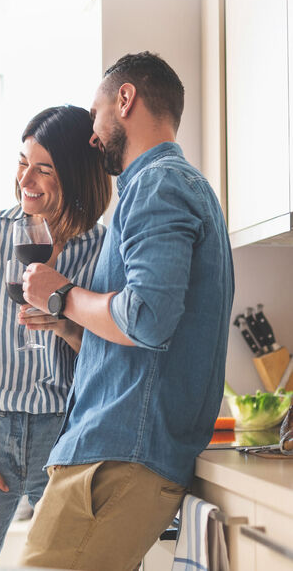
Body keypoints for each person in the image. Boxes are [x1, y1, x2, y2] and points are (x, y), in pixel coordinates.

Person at [18, 52, 234, 571]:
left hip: (117, 456)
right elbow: (145, 323)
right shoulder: (174, 186)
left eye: (95, 116)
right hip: (117, 453)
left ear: (125, 99)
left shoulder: (157, 185)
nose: (92, 135)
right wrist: (72, 322)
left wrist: (60, 293)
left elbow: (147, 319)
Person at [0, 104, 112, 565]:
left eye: (43, 169)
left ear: (73, 174)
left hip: (63, 435)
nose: (25, 180)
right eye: (22, 162)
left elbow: (103, 360)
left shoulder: (100, 248)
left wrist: (65, 323)